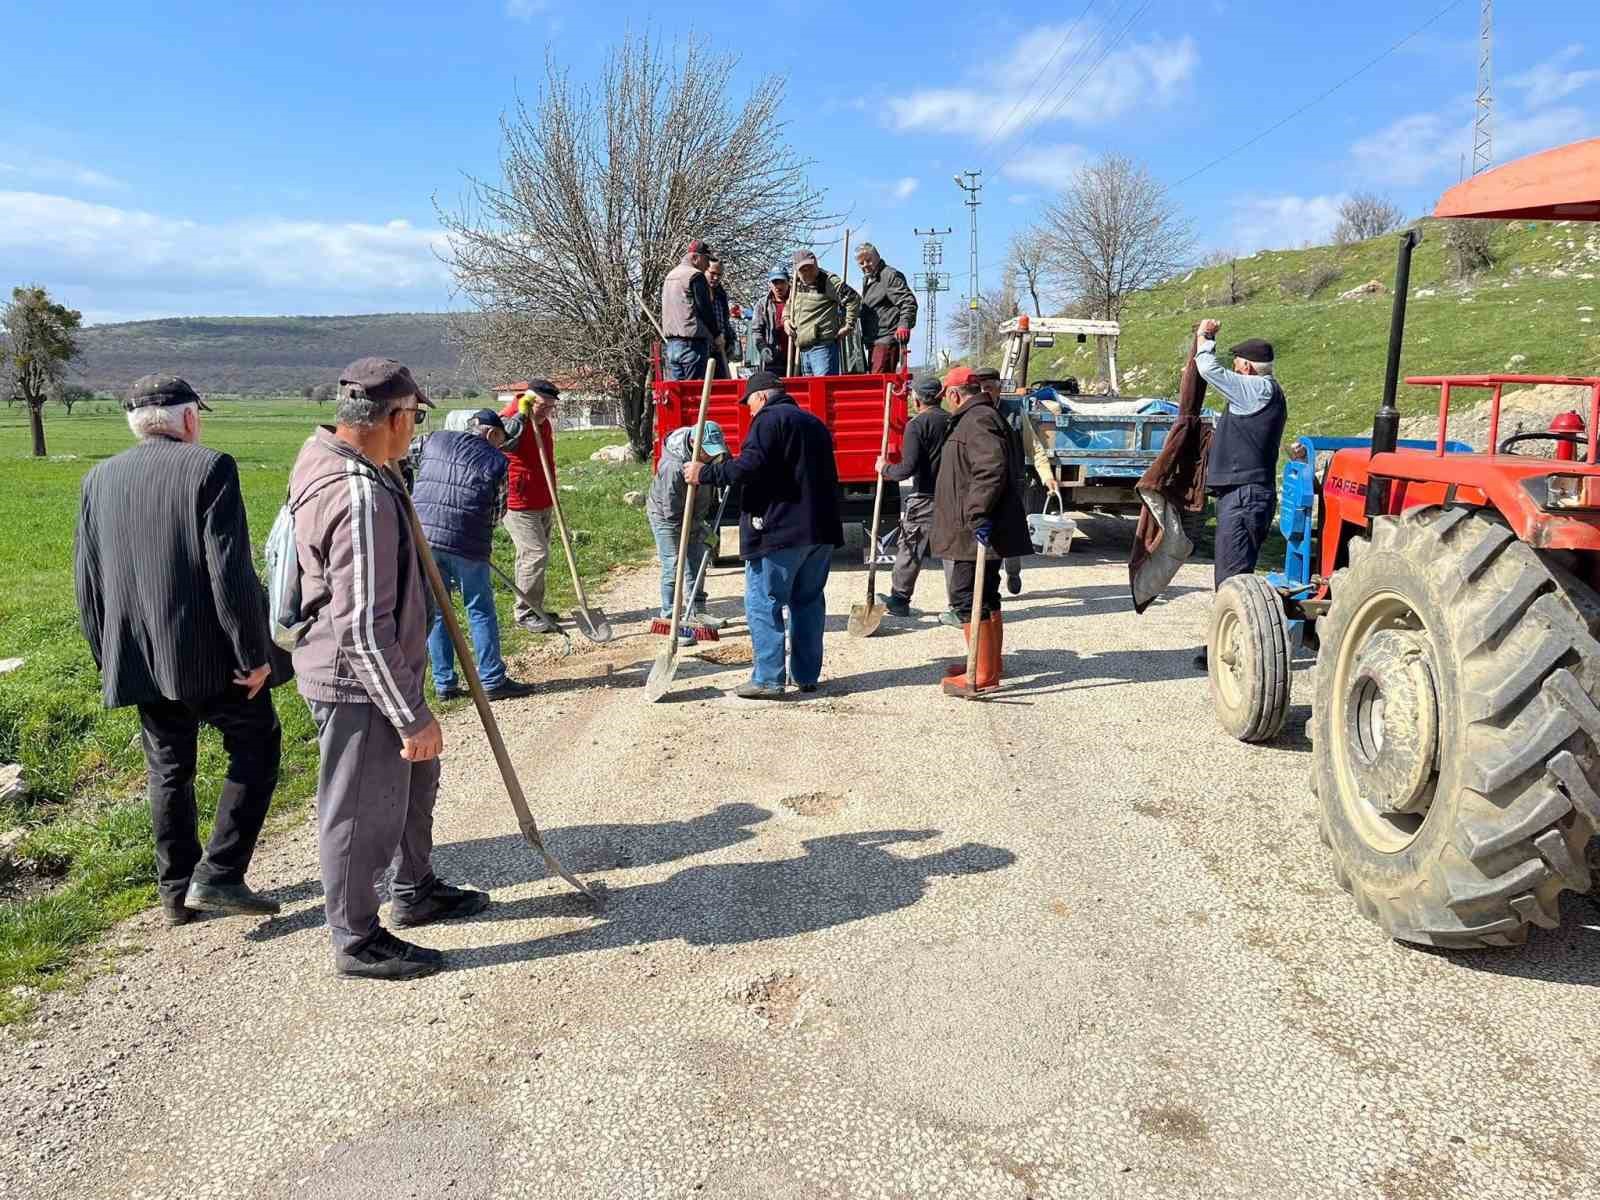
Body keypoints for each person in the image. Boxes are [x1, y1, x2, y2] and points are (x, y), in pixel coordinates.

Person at [289, 357, 488, 981]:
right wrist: (410, 714)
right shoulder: (356, 493)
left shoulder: (356, 466)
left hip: (384, 669)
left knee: (411, 787)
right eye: (416, 416)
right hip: (360, 682)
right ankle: (356, 938)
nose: (415, 428)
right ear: (395, 417)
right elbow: (359, 625)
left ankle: (415, 889)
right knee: (360, 810)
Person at [74, 374, 282, 928]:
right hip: (210, 654)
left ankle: (176, 893)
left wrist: (108, 656)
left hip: (138, 654)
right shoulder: (210, 466)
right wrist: (253, 653)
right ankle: (220, 873)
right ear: (190, 418)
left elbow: (87, 580)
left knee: (168, 768)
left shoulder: (99, 477)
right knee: (256, 745)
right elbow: (229, 569)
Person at [684, 370, 844, 698]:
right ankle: (806, 675)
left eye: (749, 405)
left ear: (760, 397)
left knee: (763, 601)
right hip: (821, 530)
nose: (749, 410)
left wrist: (706, 473)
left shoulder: (769, 421)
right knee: (808, 602)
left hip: (780, 530)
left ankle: (769, 678)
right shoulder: (814, 424)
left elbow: (750, 466)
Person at [412, 408, 534, 701]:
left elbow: (404, 459)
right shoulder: (496, 461)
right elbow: (497, 512)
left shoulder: (434, 440)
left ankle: (445, 684)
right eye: (500, 439)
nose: (501, 446)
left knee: (438, 611)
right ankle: (492, 679)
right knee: (479, 609)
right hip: (467, 543)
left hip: (424, 538)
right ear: (491, 433)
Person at [1192, 320, 1286, 669]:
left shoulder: (1256, 389)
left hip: (1244, 496)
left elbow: (1207, 369)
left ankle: (1231, 650)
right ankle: (1224, 642)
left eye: (1238, 363)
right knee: (1234, 574)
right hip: (1249, 493)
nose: (1235, 368)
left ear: (1246, 366)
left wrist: (1206, 338)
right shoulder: (1265, 393)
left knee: (1233, 578)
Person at [931, 369, 1031, 696]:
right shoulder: (981, 416)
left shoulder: (977, 420)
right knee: (985, 593)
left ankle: (984, 672)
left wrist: (977, 512)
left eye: (947, 394)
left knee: (966, 595)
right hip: (972, 525)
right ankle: (986, 662)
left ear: (956, 394)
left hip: (970, 528)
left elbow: (991, 468)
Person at [874, 375, 951, 617]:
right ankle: (960, 606)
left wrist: (884, 467)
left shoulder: (917, 425)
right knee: (952, 552)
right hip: (952, 496)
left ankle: (899, 599)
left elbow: (907, 469)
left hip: (924, 497)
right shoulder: (953, 421)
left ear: (917, 399)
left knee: (910, 547)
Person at [648, 420, 730, 640]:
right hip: (668, 518)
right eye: (707, 452)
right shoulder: (672, 468)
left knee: (698, 560)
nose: (711, 457)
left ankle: (697, 612)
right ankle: (671, 618)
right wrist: (688, 530)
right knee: (674, 565)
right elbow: (671, 510)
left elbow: (725, 464)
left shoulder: (713, 451)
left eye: (715, 452)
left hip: (695, 515)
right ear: (693, 444)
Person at [499, 379, 563, 633]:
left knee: (534, 555)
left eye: (550, 407)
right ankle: (525, 613)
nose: (546, 411)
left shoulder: (542, 421)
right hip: (518, 501)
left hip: (543, 497)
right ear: (528, 399)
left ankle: (534, 606)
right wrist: (523, 416)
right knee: (535, 554)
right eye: (542, 405)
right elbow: (505, 443)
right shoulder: (511, 418)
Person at [783, 250, 859, 377]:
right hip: (802, 348)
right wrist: (786, 319)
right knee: (811, 394)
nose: (808, 272)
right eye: (803, 269)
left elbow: (853, 298)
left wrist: (848, 325)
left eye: (810, 267)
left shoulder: (828, 281)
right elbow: (789, 305)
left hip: (822, 347)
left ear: (816, 263)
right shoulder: (796, 283)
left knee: (824, 392)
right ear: (797, 270)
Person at [660, 239, 725, 381]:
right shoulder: (695, 275)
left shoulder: (670, 276)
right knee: (694, 396)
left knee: (679, 397)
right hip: (692, 345)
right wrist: (716, 334)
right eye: (706, 259)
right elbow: (705, 309)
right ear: (695, 257)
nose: (708, 264)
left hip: (671, 346)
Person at [854, 243, 918, 374]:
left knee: (880, 382)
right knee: (875, 381)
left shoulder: (889, 276)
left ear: (877, 257)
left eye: (868, 260)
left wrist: (904, 324)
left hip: (886, 338)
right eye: (861, 263)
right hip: (874, 340)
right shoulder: (868, 280)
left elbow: (908, 301)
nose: (865, 265)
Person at [753, 266, 792, 375]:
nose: (778, 286)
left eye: (782, 282)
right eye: (775, 283)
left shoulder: (796, 302)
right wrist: (763, 348)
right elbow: (757, 331)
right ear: (770, 284)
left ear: (788, 282)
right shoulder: (762, 305)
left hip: (795, 357)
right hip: (773, 358)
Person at [707, 256, 735, 376]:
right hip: (704, 350)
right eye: (712, 273)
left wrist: (730, 339)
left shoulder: (721, 294)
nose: (716, 278)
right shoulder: (698, 292)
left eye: (719, 275)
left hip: (720, 350)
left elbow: (725, 320)